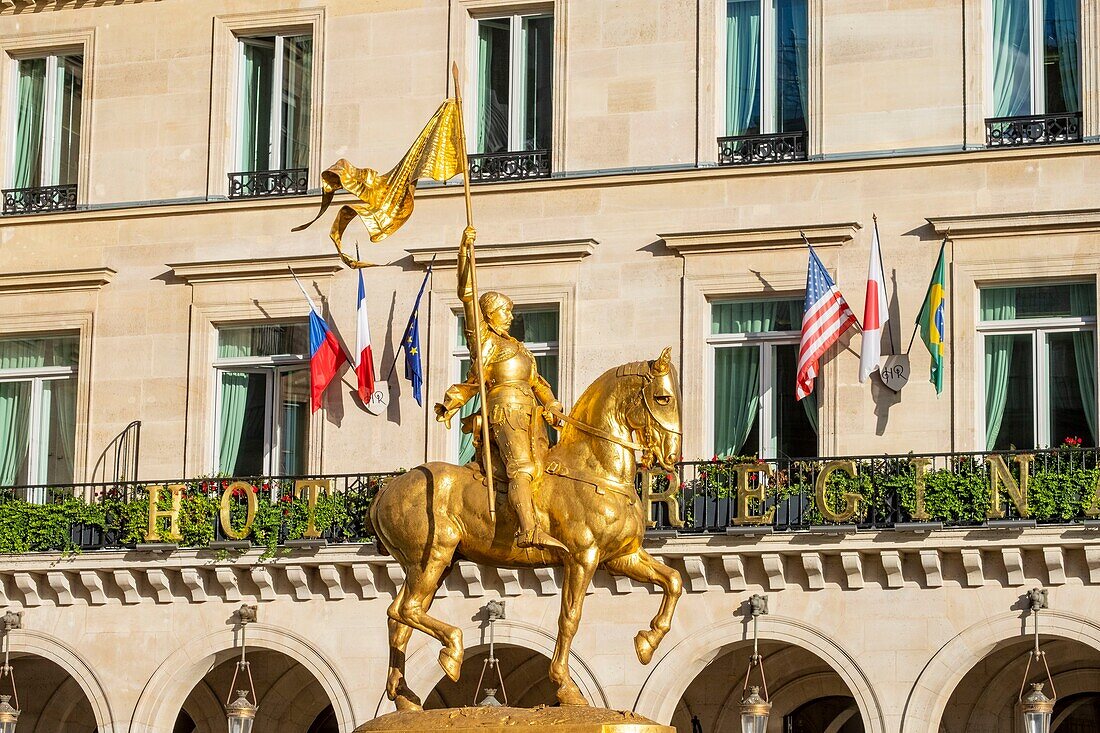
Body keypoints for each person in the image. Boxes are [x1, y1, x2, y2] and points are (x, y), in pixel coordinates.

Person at [435, 227, 567, 552]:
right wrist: (465, 253)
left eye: (510, 311)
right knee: (520, 467)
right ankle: (529, 530)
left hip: (531, 414)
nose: (509, 317)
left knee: (544, 468)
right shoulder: (486, 341)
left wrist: (553, 405)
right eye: (503, 311)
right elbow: (467, 295)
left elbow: (539, 383)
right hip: (504, 411)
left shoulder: (520, 348)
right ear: (489, 315)